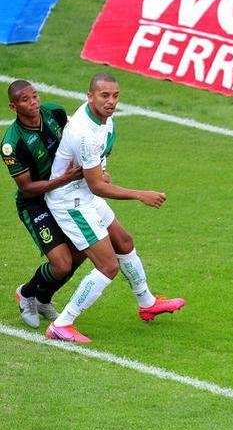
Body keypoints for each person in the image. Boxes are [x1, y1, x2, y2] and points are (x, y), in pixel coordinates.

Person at [42, 72, 185, 343]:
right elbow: (97, 185)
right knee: (108, 266)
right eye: (104, 95)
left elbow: (97, 172)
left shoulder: (106, 123)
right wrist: (139, 194)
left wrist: (101, 174)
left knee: (124, 241)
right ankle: (62, 324)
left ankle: (147, 303)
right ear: (90, 96)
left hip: (84, 194)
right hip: (70, 201)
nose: (111, 101)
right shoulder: (83, 133)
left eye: (115, 96)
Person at [4, 80, 86, 327]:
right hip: (36, 204)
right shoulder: (11, 144)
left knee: (82, 250)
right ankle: (27, 294)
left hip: (64, 196)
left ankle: (43, 299)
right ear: (13, 106)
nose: (33, 102)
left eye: (35, 96)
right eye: (25, 100)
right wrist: (64, 179)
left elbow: (77, 141)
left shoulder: (55, 113)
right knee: (61, 264)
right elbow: (27, 188)